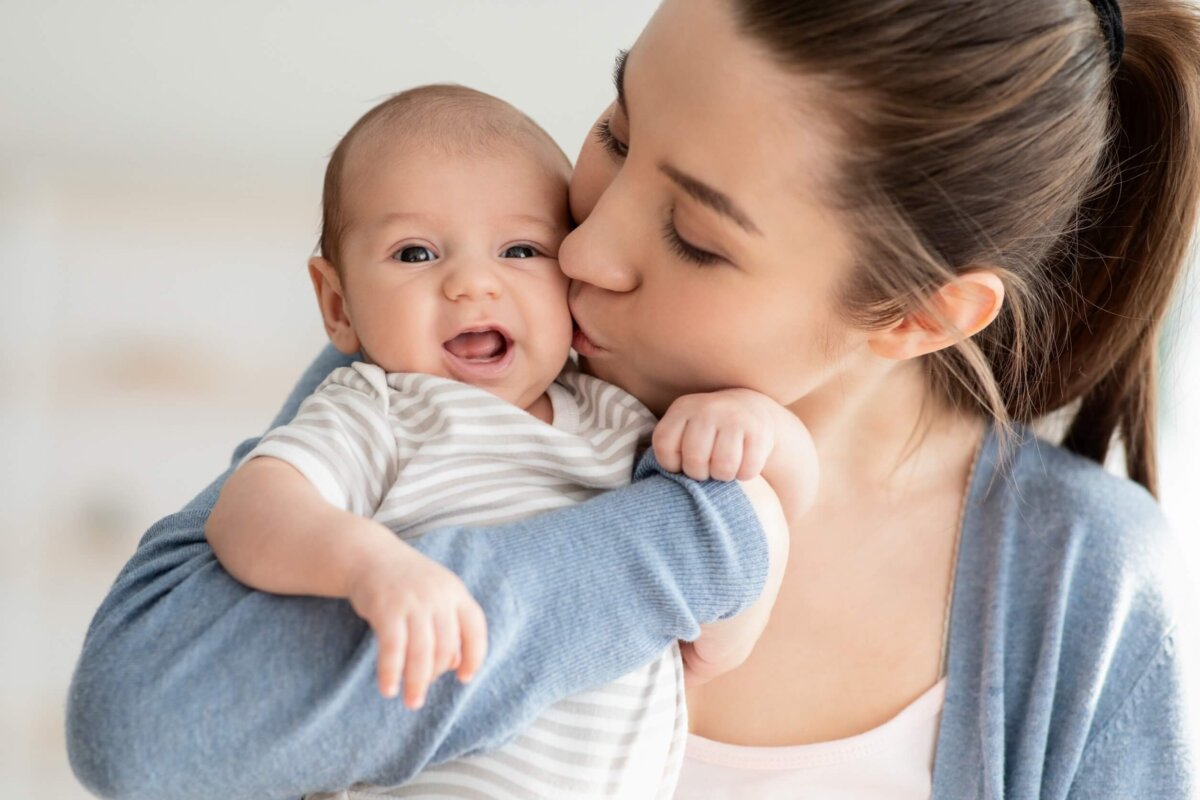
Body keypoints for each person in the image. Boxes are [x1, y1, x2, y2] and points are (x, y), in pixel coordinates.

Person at [67, 0, 1200, 798]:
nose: (584, 245)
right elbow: (144, 727)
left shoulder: (1076, 586)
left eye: (696, 238)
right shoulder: (473, 378)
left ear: (914, 315)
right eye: (617, 127)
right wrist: (710, 534)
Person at [203, 83, 812, 799]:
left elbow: (728, 614)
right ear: (338, 305)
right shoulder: (380, 410)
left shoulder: (614, 416)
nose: (471, 284)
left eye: (520, 249)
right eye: (415, 253)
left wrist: (757, 427)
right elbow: (248, 513)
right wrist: (368, 567)